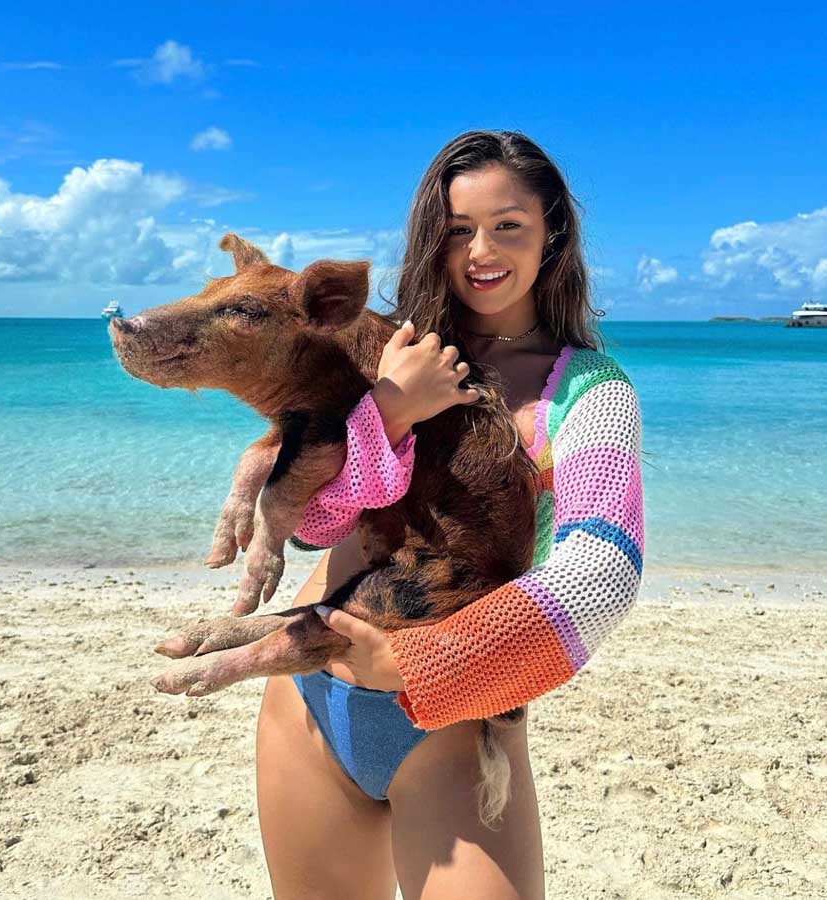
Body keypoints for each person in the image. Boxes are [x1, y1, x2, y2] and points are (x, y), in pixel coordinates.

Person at [255, 129, 644, 900]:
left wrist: (420, 664)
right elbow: (315, 524)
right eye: (458, 229)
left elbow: (603, 567)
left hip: (458, 723)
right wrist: (390, 410)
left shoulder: (589, 391)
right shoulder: (385, 351)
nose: (480, 252)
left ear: (552, 233)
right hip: (310, 696)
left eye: (508, 225)